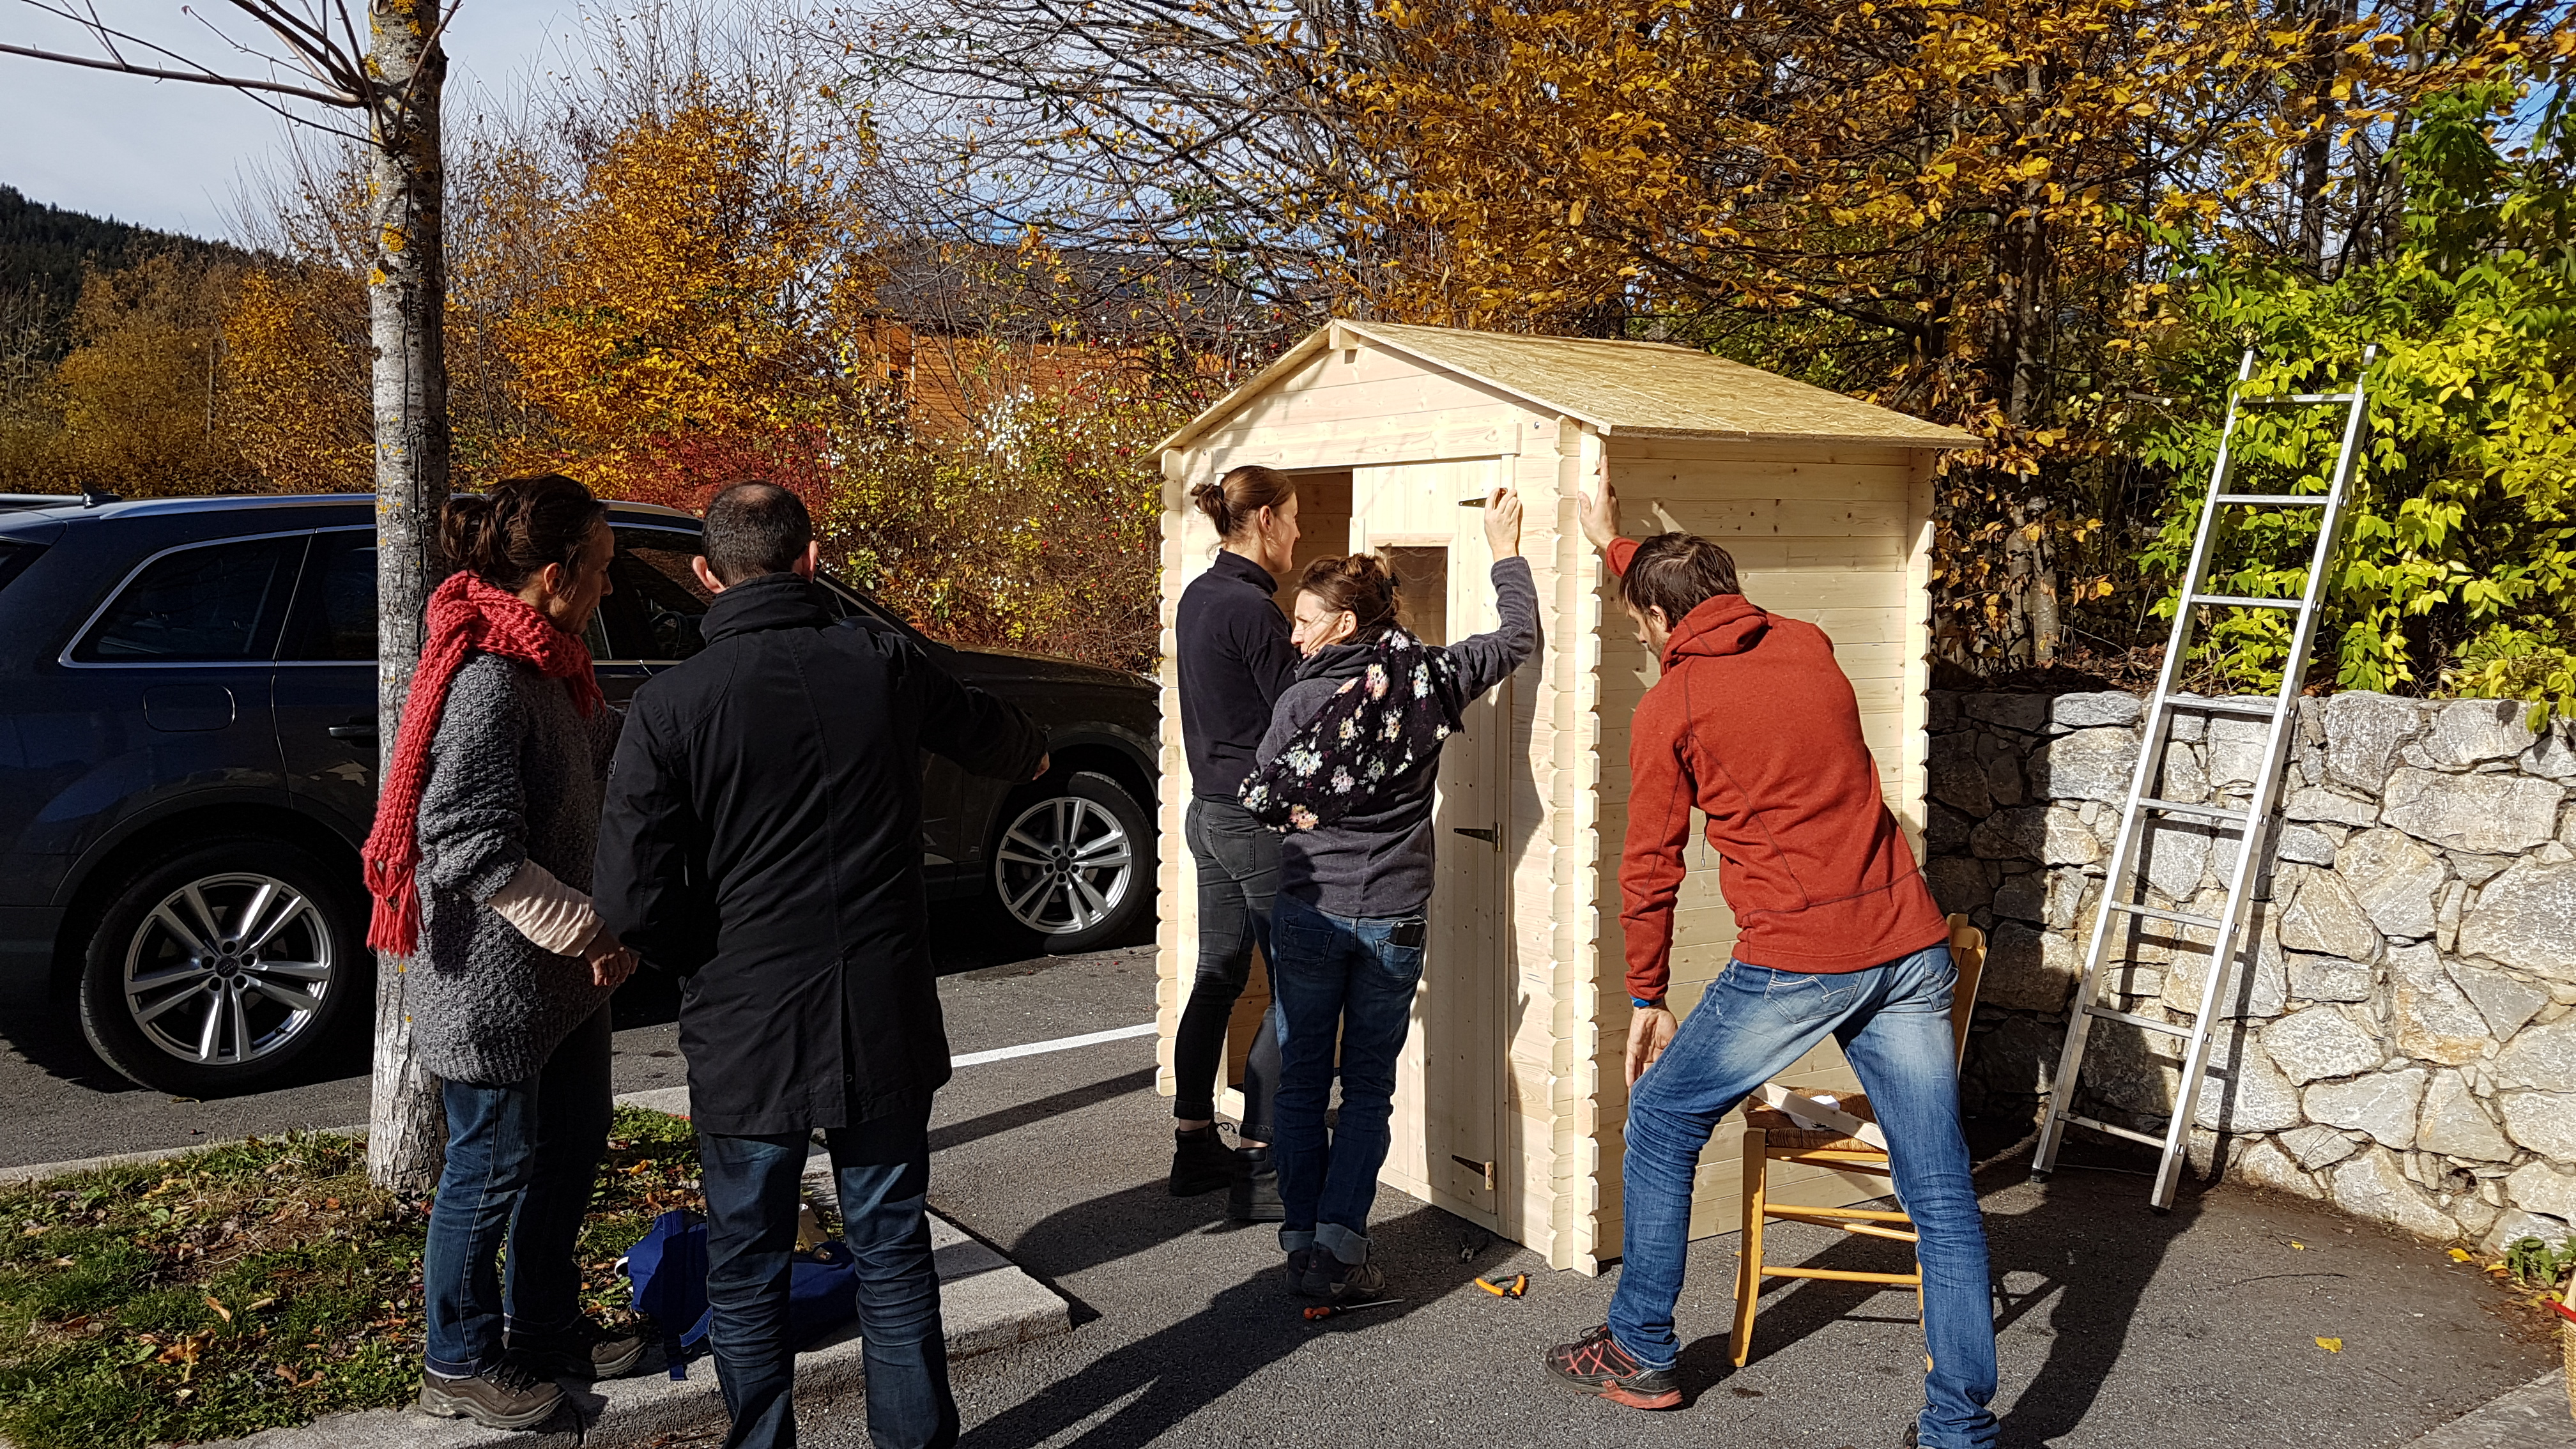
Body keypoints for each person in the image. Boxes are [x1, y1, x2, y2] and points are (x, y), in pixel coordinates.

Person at [1541, 471, 1996, 1449]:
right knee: (1942, 1190)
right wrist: (1617, 547)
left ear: (1662, 620)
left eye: (1640, 628)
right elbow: (1698, 605)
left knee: (1662, 1117)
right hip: (1909, 946)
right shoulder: (1807, 642)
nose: (1640, 643)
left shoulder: (1676, 706)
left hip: (1801, 957)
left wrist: (1648, 994)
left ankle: (1643, 1351)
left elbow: (1651, 865)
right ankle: (1960, 1431)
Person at [594, 481, 1047, 1449]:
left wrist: (699, 958)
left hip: (745, 1023)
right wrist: (1038, 757)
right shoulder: (882, 661)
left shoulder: (669, 704)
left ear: (709, 577)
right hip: (877, 1010)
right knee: (889, 1247)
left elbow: (629, 901)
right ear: (809, 559)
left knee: (748, 1264)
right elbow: (990, 733)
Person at [361, 473, 646, 1430]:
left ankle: (545, 1327)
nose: (610, 587)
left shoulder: (554, 666)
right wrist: (592, 928)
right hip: (487, 982)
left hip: (557, 983)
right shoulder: (486, 681)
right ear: (557, 577)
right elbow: (469, 842)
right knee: (490, 1165)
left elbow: (598, 748)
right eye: (602, 571)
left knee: (568, 1148)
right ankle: (458, 1357)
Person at [1246, 487, 1535, 1305]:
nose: (1293, 633)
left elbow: (1264, 797)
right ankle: (1340, 1250)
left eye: (1304, 621)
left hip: (1308, 913)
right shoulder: (1431, 678)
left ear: (1342, 625)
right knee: (1368, 1086)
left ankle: (1302, 1240)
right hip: (1395, 915)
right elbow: (1518, 637)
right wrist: (1503, 548)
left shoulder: (1301, 700)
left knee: (1304, 1080)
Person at [1169, 463, 1301, 1218]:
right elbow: (1296, 714)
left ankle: (1194, 1145)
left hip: (1208, 816)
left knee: (1218, 975)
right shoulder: (1254, 612)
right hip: (1253, 824)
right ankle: (1260, 1157)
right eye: (1291, 517)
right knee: (1292, 989)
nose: (1296, 532)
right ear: (1262, 523)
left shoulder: (1201, 595)